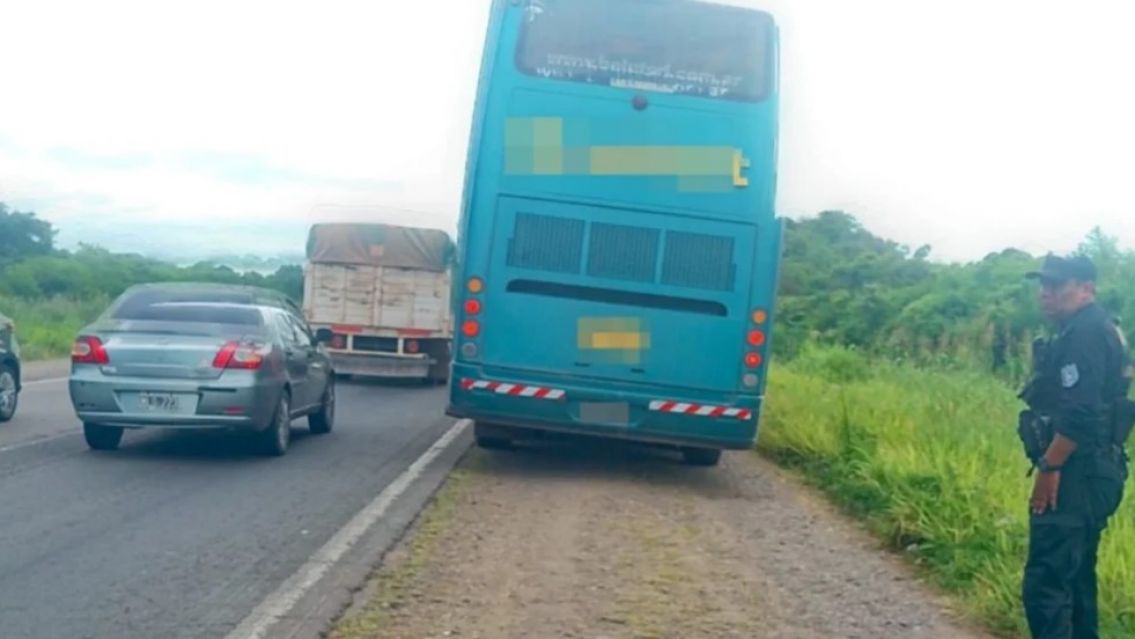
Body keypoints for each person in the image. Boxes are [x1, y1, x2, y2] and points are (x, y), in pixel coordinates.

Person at [1018, 254, 1131, 639]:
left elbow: (1081, 414)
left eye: (1058, 285)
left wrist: (1049, 469)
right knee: (1076, 580)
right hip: (1097, 468)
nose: (1047, 294)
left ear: (1087, 289)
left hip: (1077, 472)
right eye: (1043, 285)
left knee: (1046, 585)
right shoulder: (1097, 327)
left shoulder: (1084, 333)